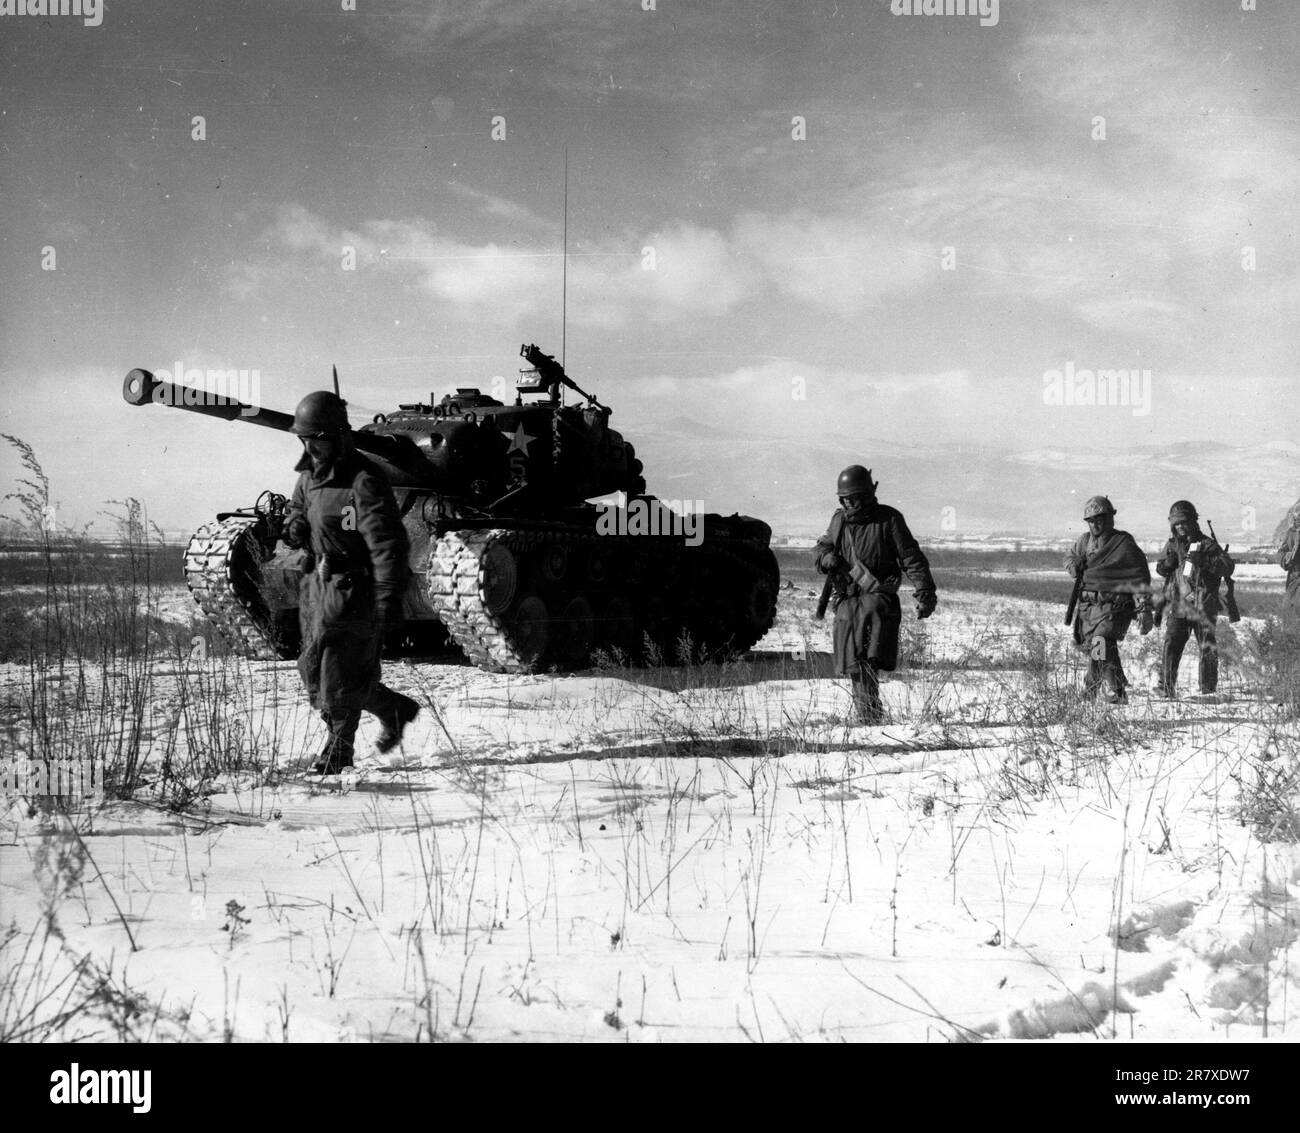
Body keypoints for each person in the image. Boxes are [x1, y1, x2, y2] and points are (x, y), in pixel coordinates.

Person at [282, 391, 420, 774]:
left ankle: (338, 751)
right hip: (317, 585)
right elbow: (297, 509)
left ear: (339, 437)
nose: (310, 446)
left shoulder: (364, 481)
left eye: (318, 438)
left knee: (338, 673)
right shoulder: (309, 476)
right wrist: (294, 525)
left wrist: (389, 595)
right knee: (313, 669)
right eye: (305, 439)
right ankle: (395, 709)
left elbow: (387, 542)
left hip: (353, 588)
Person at [814, 465, 937, 724]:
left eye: (854, 497)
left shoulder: (889, 519)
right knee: (852, 663)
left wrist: (925, 591)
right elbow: (822, 546)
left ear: (868, 495)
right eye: (845, 498)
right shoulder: (839, 520)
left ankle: (868, 715)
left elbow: (911, 557)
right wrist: (827, 558)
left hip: (877, 601)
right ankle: (867, 714)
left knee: (868, 661)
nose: (850, 503)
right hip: (847, 600)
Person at [1064, 495, 1153, 703]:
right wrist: (1074, 565)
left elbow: (1138, 577)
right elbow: (1069, 558)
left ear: (1109, 519)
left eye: (1100, 519)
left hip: (1115, 607)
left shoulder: (1123, 543)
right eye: (1091, 520)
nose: (1095, 524)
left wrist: (1144, 609)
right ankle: (1103, 690)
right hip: (1088, 609)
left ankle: (1110, 689)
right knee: (1100, 648)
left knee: (1101, 641)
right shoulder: (1084, 541)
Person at [1154, 500, 1234, 698]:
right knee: (1171, 644)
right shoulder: (1172, 544)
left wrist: (1205, 561)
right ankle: (1166, 687)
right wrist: (1167, 565)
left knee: (1207, 646)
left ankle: (1208, 690)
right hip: (1179, 605)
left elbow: (1227, 566)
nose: (1180, 526)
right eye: (1176, 523)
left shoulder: (1207, 544)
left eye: (1183, 522)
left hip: (1203, 606)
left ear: (1192, 522)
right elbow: (1160, 568)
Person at [1281, 504, 1300, 629]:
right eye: (1296, 515)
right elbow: (1281, 551)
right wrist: (1286, 558)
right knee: (1287, 608)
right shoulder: (1291, 532)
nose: (1298, 517)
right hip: (1294, 575)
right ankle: (1288, 643)